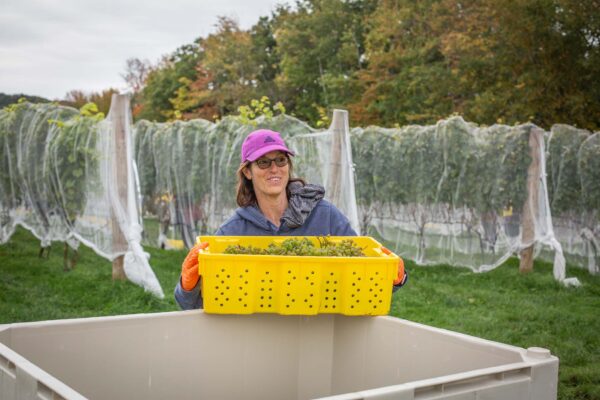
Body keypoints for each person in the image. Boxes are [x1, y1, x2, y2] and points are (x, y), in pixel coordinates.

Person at [174, 129, 407, 310]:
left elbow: (360, 281)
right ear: (248, 171)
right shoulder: (233, 232)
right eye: (263, 162)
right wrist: (188, 286)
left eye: (281, 160)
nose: (274, 169)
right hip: (260, 336)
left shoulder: (324, 216)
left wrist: (393, 278)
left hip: (320, 332)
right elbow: (194, 305)